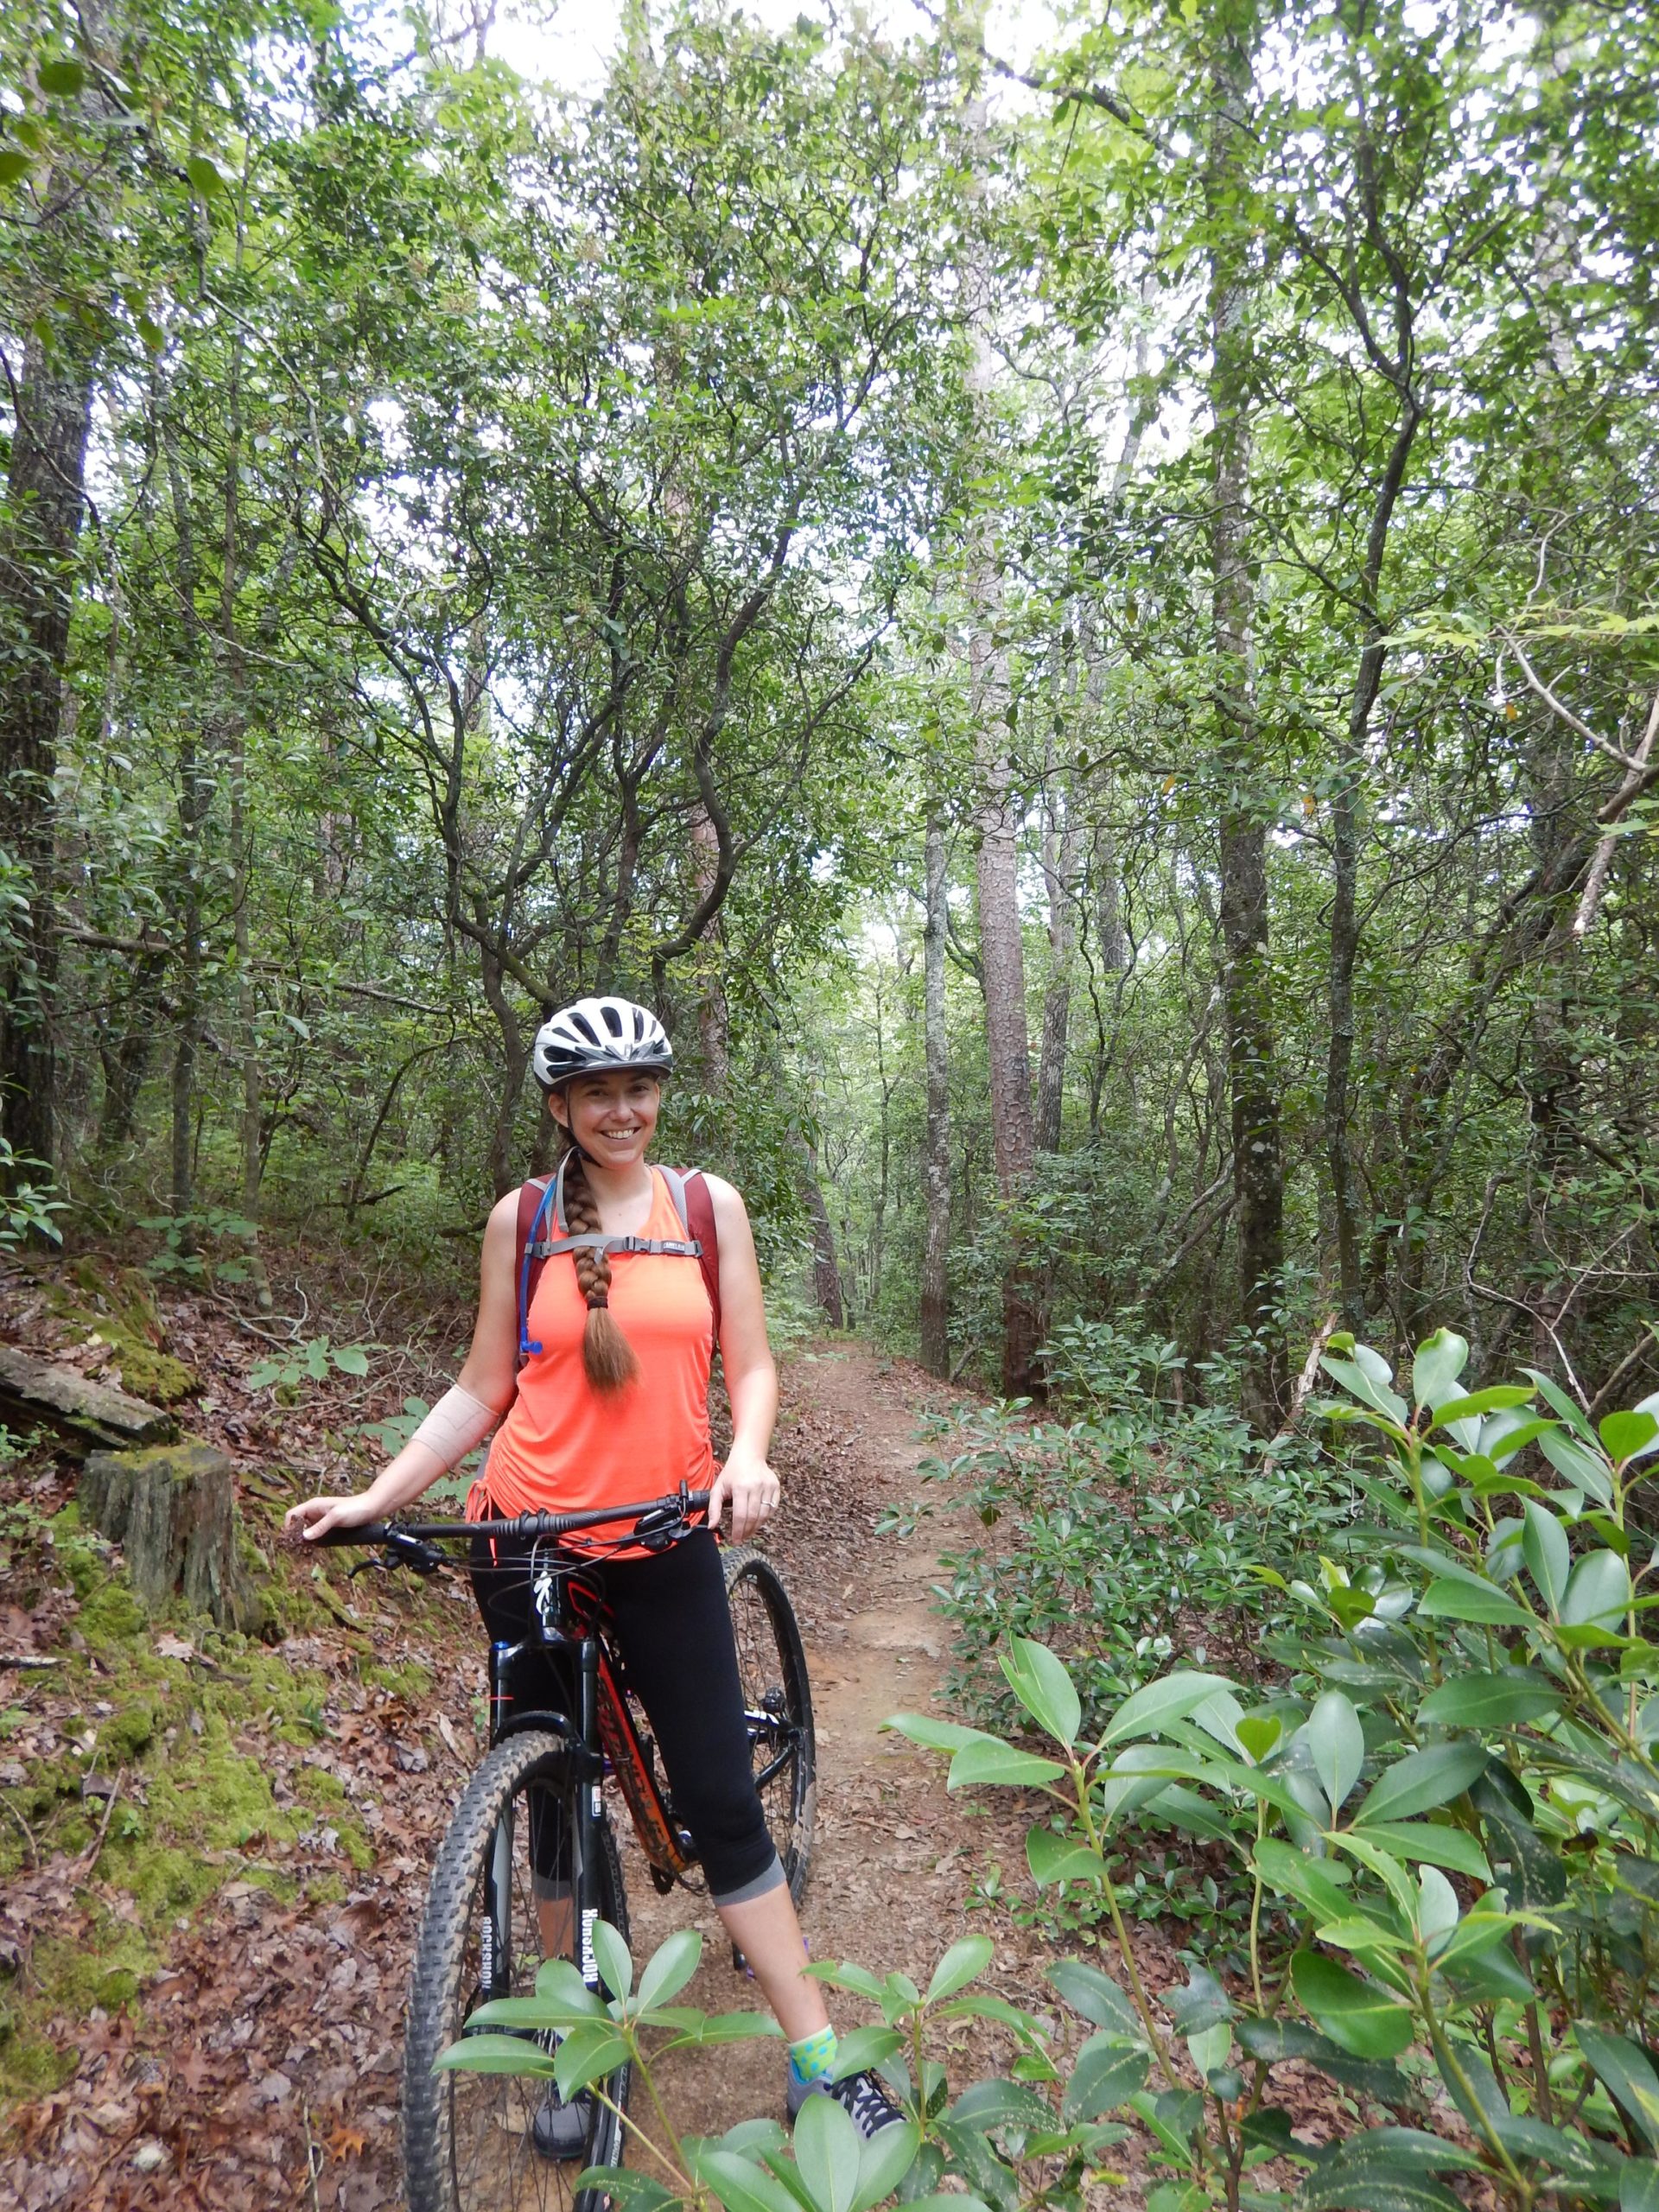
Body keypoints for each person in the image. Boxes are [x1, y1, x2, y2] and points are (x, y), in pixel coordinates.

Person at [285, 995, 903, 2153]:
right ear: (561, 1108)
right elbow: (482, 1387)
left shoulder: (706, 1209)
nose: (622, 1110)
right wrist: (381, 1493)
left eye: (640, 1088)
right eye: (596, 1093)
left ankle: (822, 2060)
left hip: (664, 1532)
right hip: (524, 1535)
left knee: (720, 1800)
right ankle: (573, 2030)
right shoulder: (521, 1221)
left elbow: (752, 1368)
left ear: (658, 1094)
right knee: (556, 1798)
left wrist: (749, 1455)